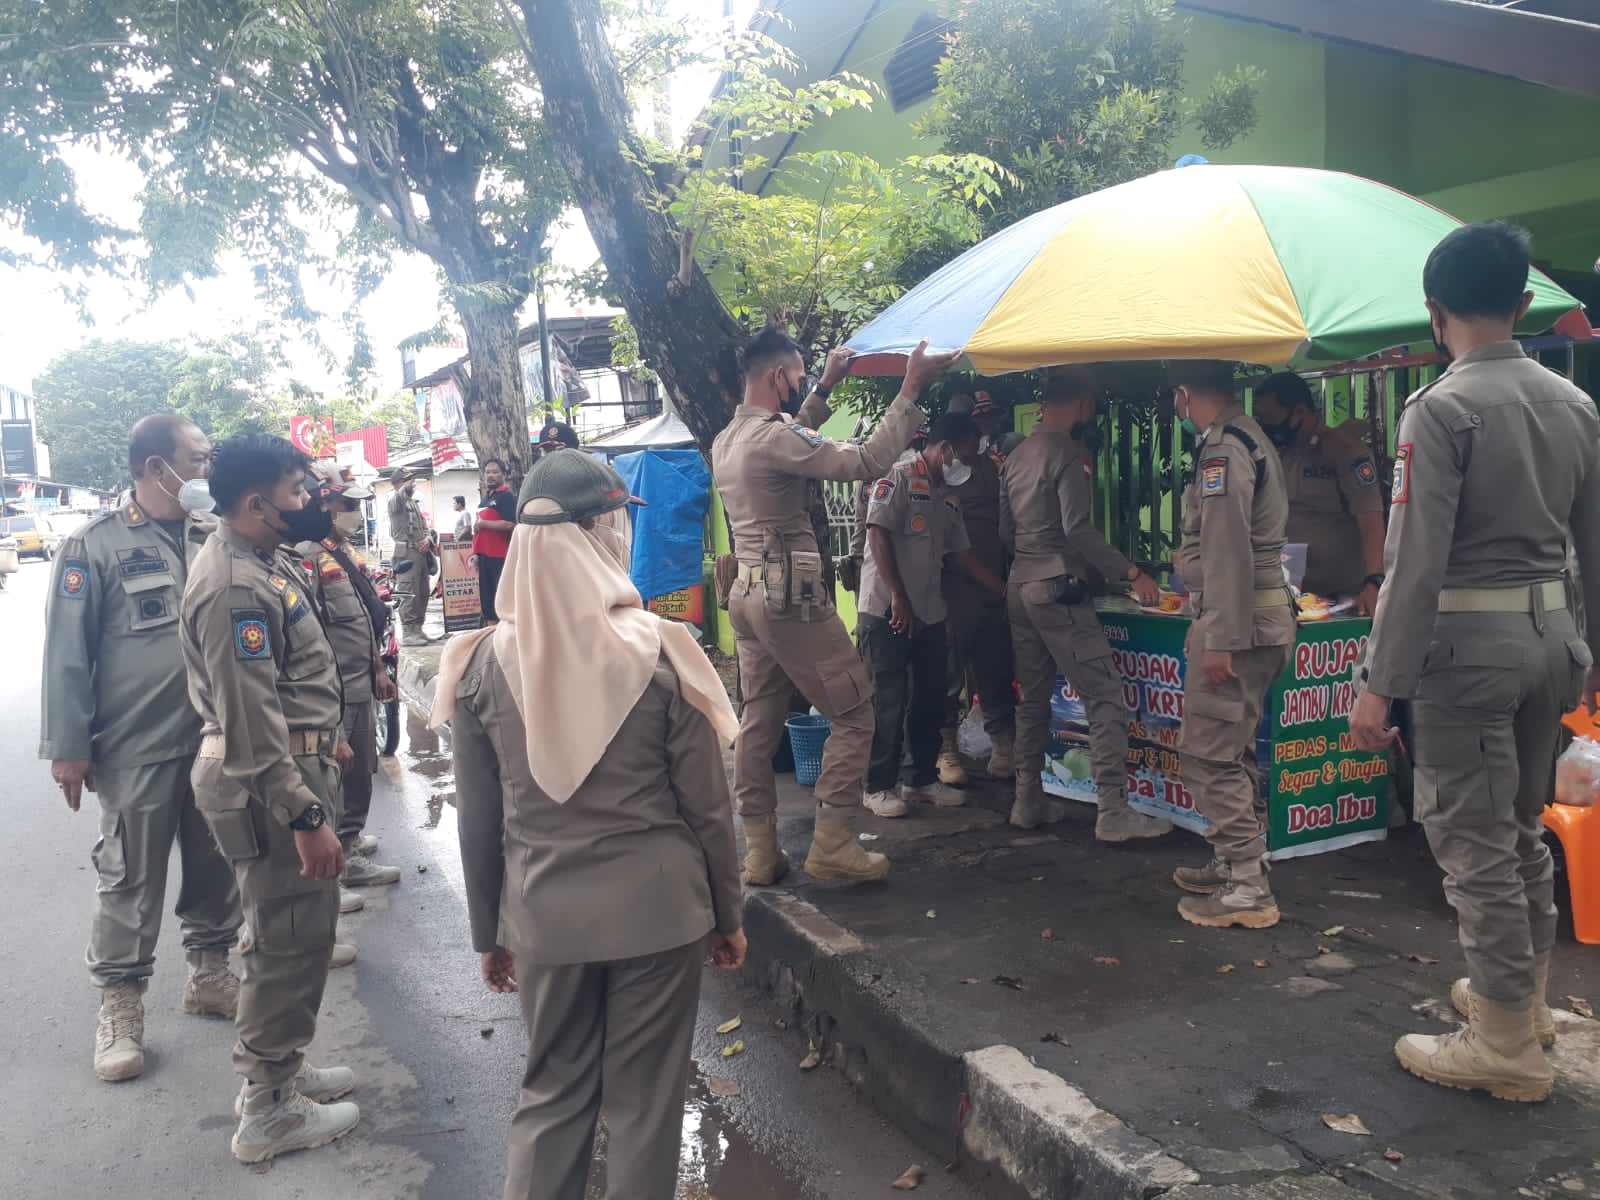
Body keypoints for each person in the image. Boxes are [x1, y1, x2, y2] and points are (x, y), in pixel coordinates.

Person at [433, 450, 745, 1200]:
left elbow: (479, 820)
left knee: (552, 1095)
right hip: (660, 913)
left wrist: (490, 931)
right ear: (597, 529)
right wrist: (727, 915)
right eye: (615, 522)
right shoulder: (664, 651)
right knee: (644, 1107)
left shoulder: (476, 664)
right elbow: (707, 806)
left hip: (544, 919)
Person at [1349, 221, 1600, 1103]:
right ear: (1523, 305)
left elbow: (1415, 562)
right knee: (1520, 830)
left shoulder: (1442, 409)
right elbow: (1594, 545)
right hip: (1553, 645)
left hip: (1468, 659)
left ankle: (1502, 1045)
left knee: (1474, 844)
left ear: (1434, 311)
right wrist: (1592, 656)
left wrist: (1381, 683)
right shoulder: (1576, 405)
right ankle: (1521, 1001)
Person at [713, 329, 959, 886]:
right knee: (854, 712)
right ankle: (833, 842)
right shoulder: (773, 439)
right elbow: (870, 460)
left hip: (747, 593)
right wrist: (911, 388)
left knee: (759, 719)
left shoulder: (728, 438)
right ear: (777, 377)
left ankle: (759, 853)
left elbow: (793, 436)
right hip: (790, 591)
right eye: (798, 376)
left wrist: (825, 383)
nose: (800, 383)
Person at [39, 413, 242, 1083]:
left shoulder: (212, 535)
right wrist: (69, 746)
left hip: (212, 737)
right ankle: (121, 1007)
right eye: (199, 458)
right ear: (158, 469)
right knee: (130, 877)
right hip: (136, 745)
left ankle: (210, 973)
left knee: (216, 862)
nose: (207, 469)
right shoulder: (92, 547)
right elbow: (66, 656)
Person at [181, 434, 360, 1163]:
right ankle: (268, 1108)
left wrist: (330, 736)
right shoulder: (235, 587)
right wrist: (307, 815)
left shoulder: (262, 558)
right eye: (297, 490)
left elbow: (292, 680)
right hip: (268, 786)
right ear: (257, 504)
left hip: (287, 769)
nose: (311, 500)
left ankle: (281, 1068)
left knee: (289, 935)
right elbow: (253, 727)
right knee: (288, 939)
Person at [1002, 370, 1171, 844]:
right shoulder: (1067, 455)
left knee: (1031, 698)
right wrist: (1133, 573)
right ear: (1081, 403)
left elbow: (1003, 533)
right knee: (1104, 694)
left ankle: (1027, 799)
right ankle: (1113, 809)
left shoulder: (1015, 457)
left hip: (1019, 584)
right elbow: (1078, 529)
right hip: (1057, 587)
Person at [1168, 360, 1296, 928]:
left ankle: (1246, 885)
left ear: (1183, 394)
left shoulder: (1224, 450)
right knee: (1233, 748)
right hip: (1257, 620)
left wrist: (1219, 637)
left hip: (1237, 627)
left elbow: (1224, 549)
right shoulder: (1248, 437)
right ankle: (1234, 862)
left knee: (1206, 754)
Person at [858, 411, 1005, 816]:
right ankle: (877, 786)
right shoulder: (899, 477)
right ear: (944, 450)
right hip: (887, 610)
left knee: (929, 699)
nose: (969, 465)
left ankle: (920, 779)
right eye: (967, 455)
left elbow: (961, 557)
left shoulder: (946, 497)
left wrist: (1006, 592)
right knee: (888, 700)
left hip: (930, 612)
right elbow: (877, 533)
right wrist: (898, 598)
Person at [296, 468, 402, 891]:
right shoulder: (306, 555)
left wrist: (378, 667)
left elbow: (361, 613)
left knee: (362, 770)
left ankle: (351, 838)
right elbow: (315, 634)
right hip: (334, 690)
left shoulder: (343, 549)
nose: (356, 513)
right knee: (338, 774)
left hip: (362, 678)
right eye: (350, 504)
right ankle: (343, 856)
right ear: (325, 504)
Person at [1252, 372, 1387, 613]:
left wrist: (1374, 581)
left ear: (1300, 412)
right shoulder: (1275, 455)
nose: (1267, 428)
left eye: (1271, 418)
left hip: (1342, 596)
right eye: (1262, 419)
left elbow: (1371, 520)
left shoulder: (1344, 450)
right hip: (1292, 594)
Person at [942, 393, 1016, 784]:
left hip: (993, 587)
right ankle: (947, 750)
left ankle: (1003, 746)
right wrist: (999, 585)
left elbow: (1005, 524)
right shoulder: (937, 478)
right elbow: (955, 552)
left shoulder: (990, 470)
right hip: (956, 593)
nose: (973, 453)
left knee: (996, 667)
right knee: (949, 674)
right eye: (967, 446)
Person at [387, 466, 434, 645]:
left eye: (412, 481)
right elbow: (399, 496)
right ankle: (408, 633)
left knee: (422, 591)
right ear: (398, 483)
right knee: (408, 591)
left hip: (420, 552)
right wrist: (403, 488)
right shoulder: (395, 502)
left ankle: (418, 629)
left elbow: (425, 526)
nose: (412, 484)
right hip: (405, 553)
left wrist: (428, 539)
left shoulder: (413, 503)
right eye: (408, 481)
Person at [473, 457, 518, 623]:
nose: (490, 475)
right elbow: (479, 530)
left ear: (503, 475)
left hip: (500, 557)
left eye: (495, 472)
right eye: (487, 472)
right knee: (487, 604)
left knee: (501, 601)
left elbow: (510, 524)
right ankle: (490, 638)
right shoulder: (485, 498)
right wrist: (476, 553)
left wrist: (484, 523)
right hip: (484, 557)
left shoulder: (506, 497)